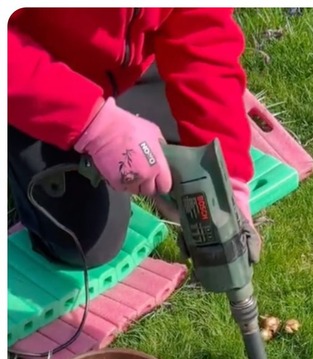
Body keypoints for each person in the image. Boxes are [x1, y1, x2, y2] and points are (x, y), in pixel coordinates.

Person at [8, 8, 261, 269]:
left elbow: (202, 32)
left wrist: (226, 177)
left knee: (197, 149)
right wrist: (91, 122)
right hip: (34, 78)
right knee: (86, 241)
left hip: (130, 67)